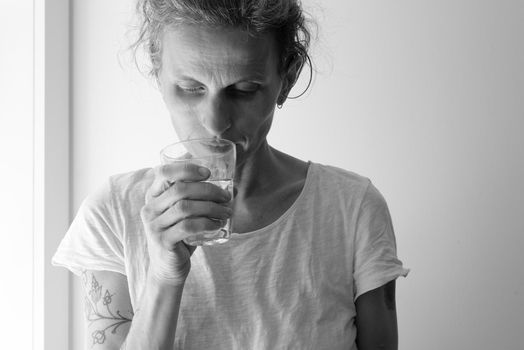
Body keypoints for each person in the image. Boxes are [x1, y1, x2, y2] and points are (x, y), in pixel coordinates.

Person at [52, 0, 410, 349]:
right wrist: (163, 275)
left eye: (243, 90)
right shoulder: (114, 212)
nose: (215, 122)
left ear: (287, 77)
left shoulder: (351, 208)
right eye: (191, 88)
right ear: (157, 73)